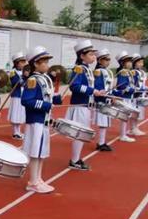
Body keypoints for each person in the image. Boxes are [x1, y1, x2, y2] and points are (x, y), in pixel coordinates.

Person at [20, 46, 61, 193]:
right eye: (44, 62)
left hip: (43, 120)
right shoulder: (33, 80)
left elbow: (49, 97)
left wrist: (56, 97)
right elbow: (26, 101)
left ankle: (38, 178)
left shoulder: (45, 79)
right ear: (35, 63)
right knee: (35, 152)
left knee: (41, 152)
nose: (47, 65)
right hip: (35, 121)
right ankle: (32, 181)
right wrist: (46, 105)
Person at [65, 40, 103, 171]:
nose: (94, 57)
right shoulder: (79, 69)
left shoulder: (87, 69)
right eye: (91, 54)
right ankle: (74, 160)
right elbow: (74, 86)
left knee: (81, 133)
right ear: (82, 56)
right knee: (79, 133)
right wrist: (92, 91)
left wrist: (98, 92)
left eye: (94, 54)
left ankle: (76, 159)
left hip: (85, 105)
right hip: (79, 106)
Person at [93, 49, 115, 151]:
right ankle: (100, 143)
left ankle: (102, 142)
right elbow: (97, 86)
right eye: (106, 59)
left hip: (106, 99)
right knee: (103, 123)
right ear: (100, 60)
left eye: (109, 59)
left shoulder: (106, 71)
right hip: (101, 100)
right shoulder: (98, 72)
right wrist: (105, 93)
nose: (108, 61)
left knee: (105, 123)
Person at [113, 53, 137, 143]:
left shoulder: (127, 72)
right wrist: (131, 90)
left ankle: (123, 134)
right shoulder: (123, 73)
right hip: (124, 97)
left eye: (131, 61)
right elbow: (122, 86)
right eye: (128, 62)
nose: (131, 63)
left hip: (128, 97)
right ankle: (123, 135)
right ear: (123, 63)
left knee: (126, 116)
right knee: (124, 116)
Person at [7, 52, 28, 139]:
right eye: (21, 62)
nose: (23, 64)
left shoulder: (23, 72)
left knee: (20, 114)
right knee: (16, 114)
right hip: (16, 96)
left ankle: (18, 131)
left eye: (24, 62)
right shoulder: (13, 72)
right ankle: (15, 132)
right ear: (16, 63)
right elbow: (16, 83)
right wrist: (24, 77)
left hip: (22, 95)